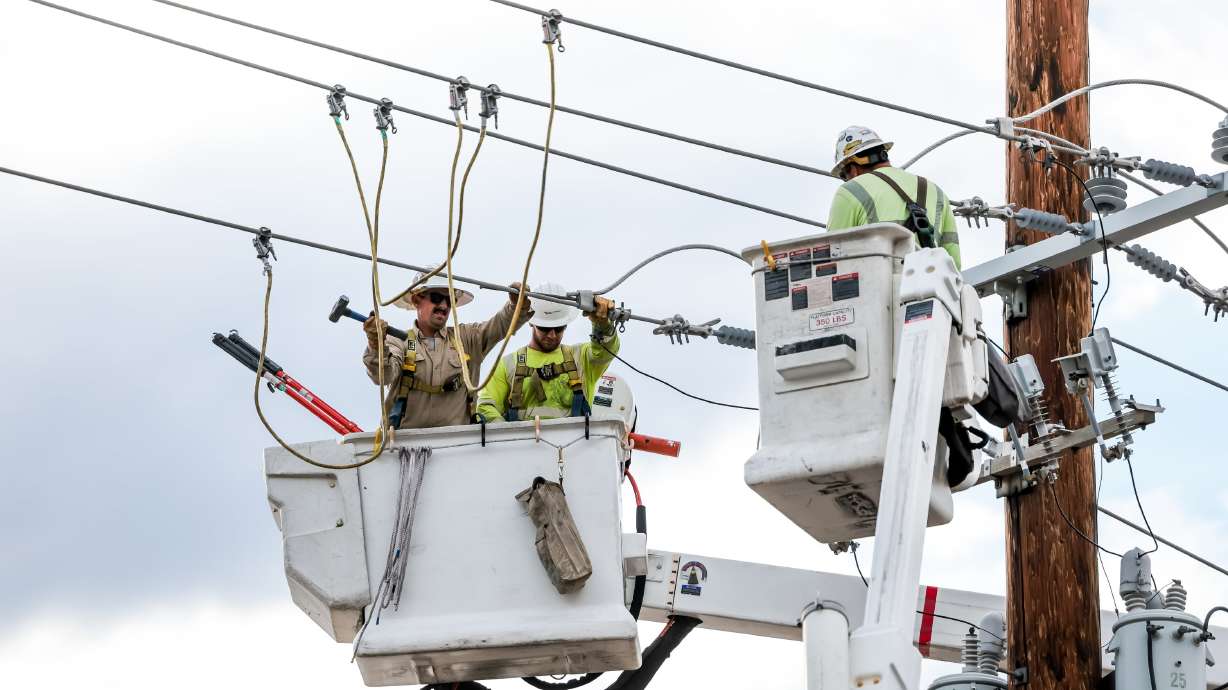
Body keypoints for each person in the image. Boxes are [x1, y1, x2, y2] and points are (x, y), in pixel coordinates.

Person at [362, 272, 532, 429]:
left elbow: (500, 324)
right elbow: (381, 376)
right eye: (436, 297)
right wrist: (375, 343)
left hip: (456, 446)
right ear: (416, 300)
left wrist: (518, 305)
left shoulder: (467, 339)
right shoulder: (399, 342)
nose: (443, 305)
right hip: (404, 448)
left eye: (449, 299)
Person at [476, 283, 619, 422]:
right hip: (524, 445)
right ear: (531, 322)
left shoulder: (581, 358)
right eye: (544, 328)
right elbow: (486, 407)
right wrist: (506, 437)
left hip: (575, 444)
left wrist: (603, 325)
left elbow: (605, 351)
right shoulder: (508, 364)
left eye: (559, 328)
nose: (552, 335)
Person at [825, 125, 962, 269]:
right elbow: (954, 265)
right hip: (930, 287)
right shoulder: (937, 192)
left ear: (852, 169)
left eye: (843, 176)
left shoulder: (849, 191)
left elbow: (832, 260)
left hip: (878, 288)